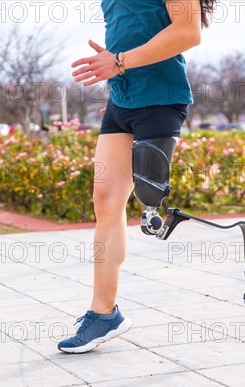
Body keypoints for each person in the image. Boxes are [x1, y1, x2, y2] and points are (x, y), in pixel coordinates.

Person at [57, 0, 217, 354]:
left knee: (149, 193)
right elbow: (131, 33)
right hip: (122, 103)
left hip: (160, 99)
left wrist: (117, 61)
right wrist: (115, 71)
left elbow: (188, 32)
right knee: (105, 201)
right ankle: (103, 315)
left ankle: (161, 214)